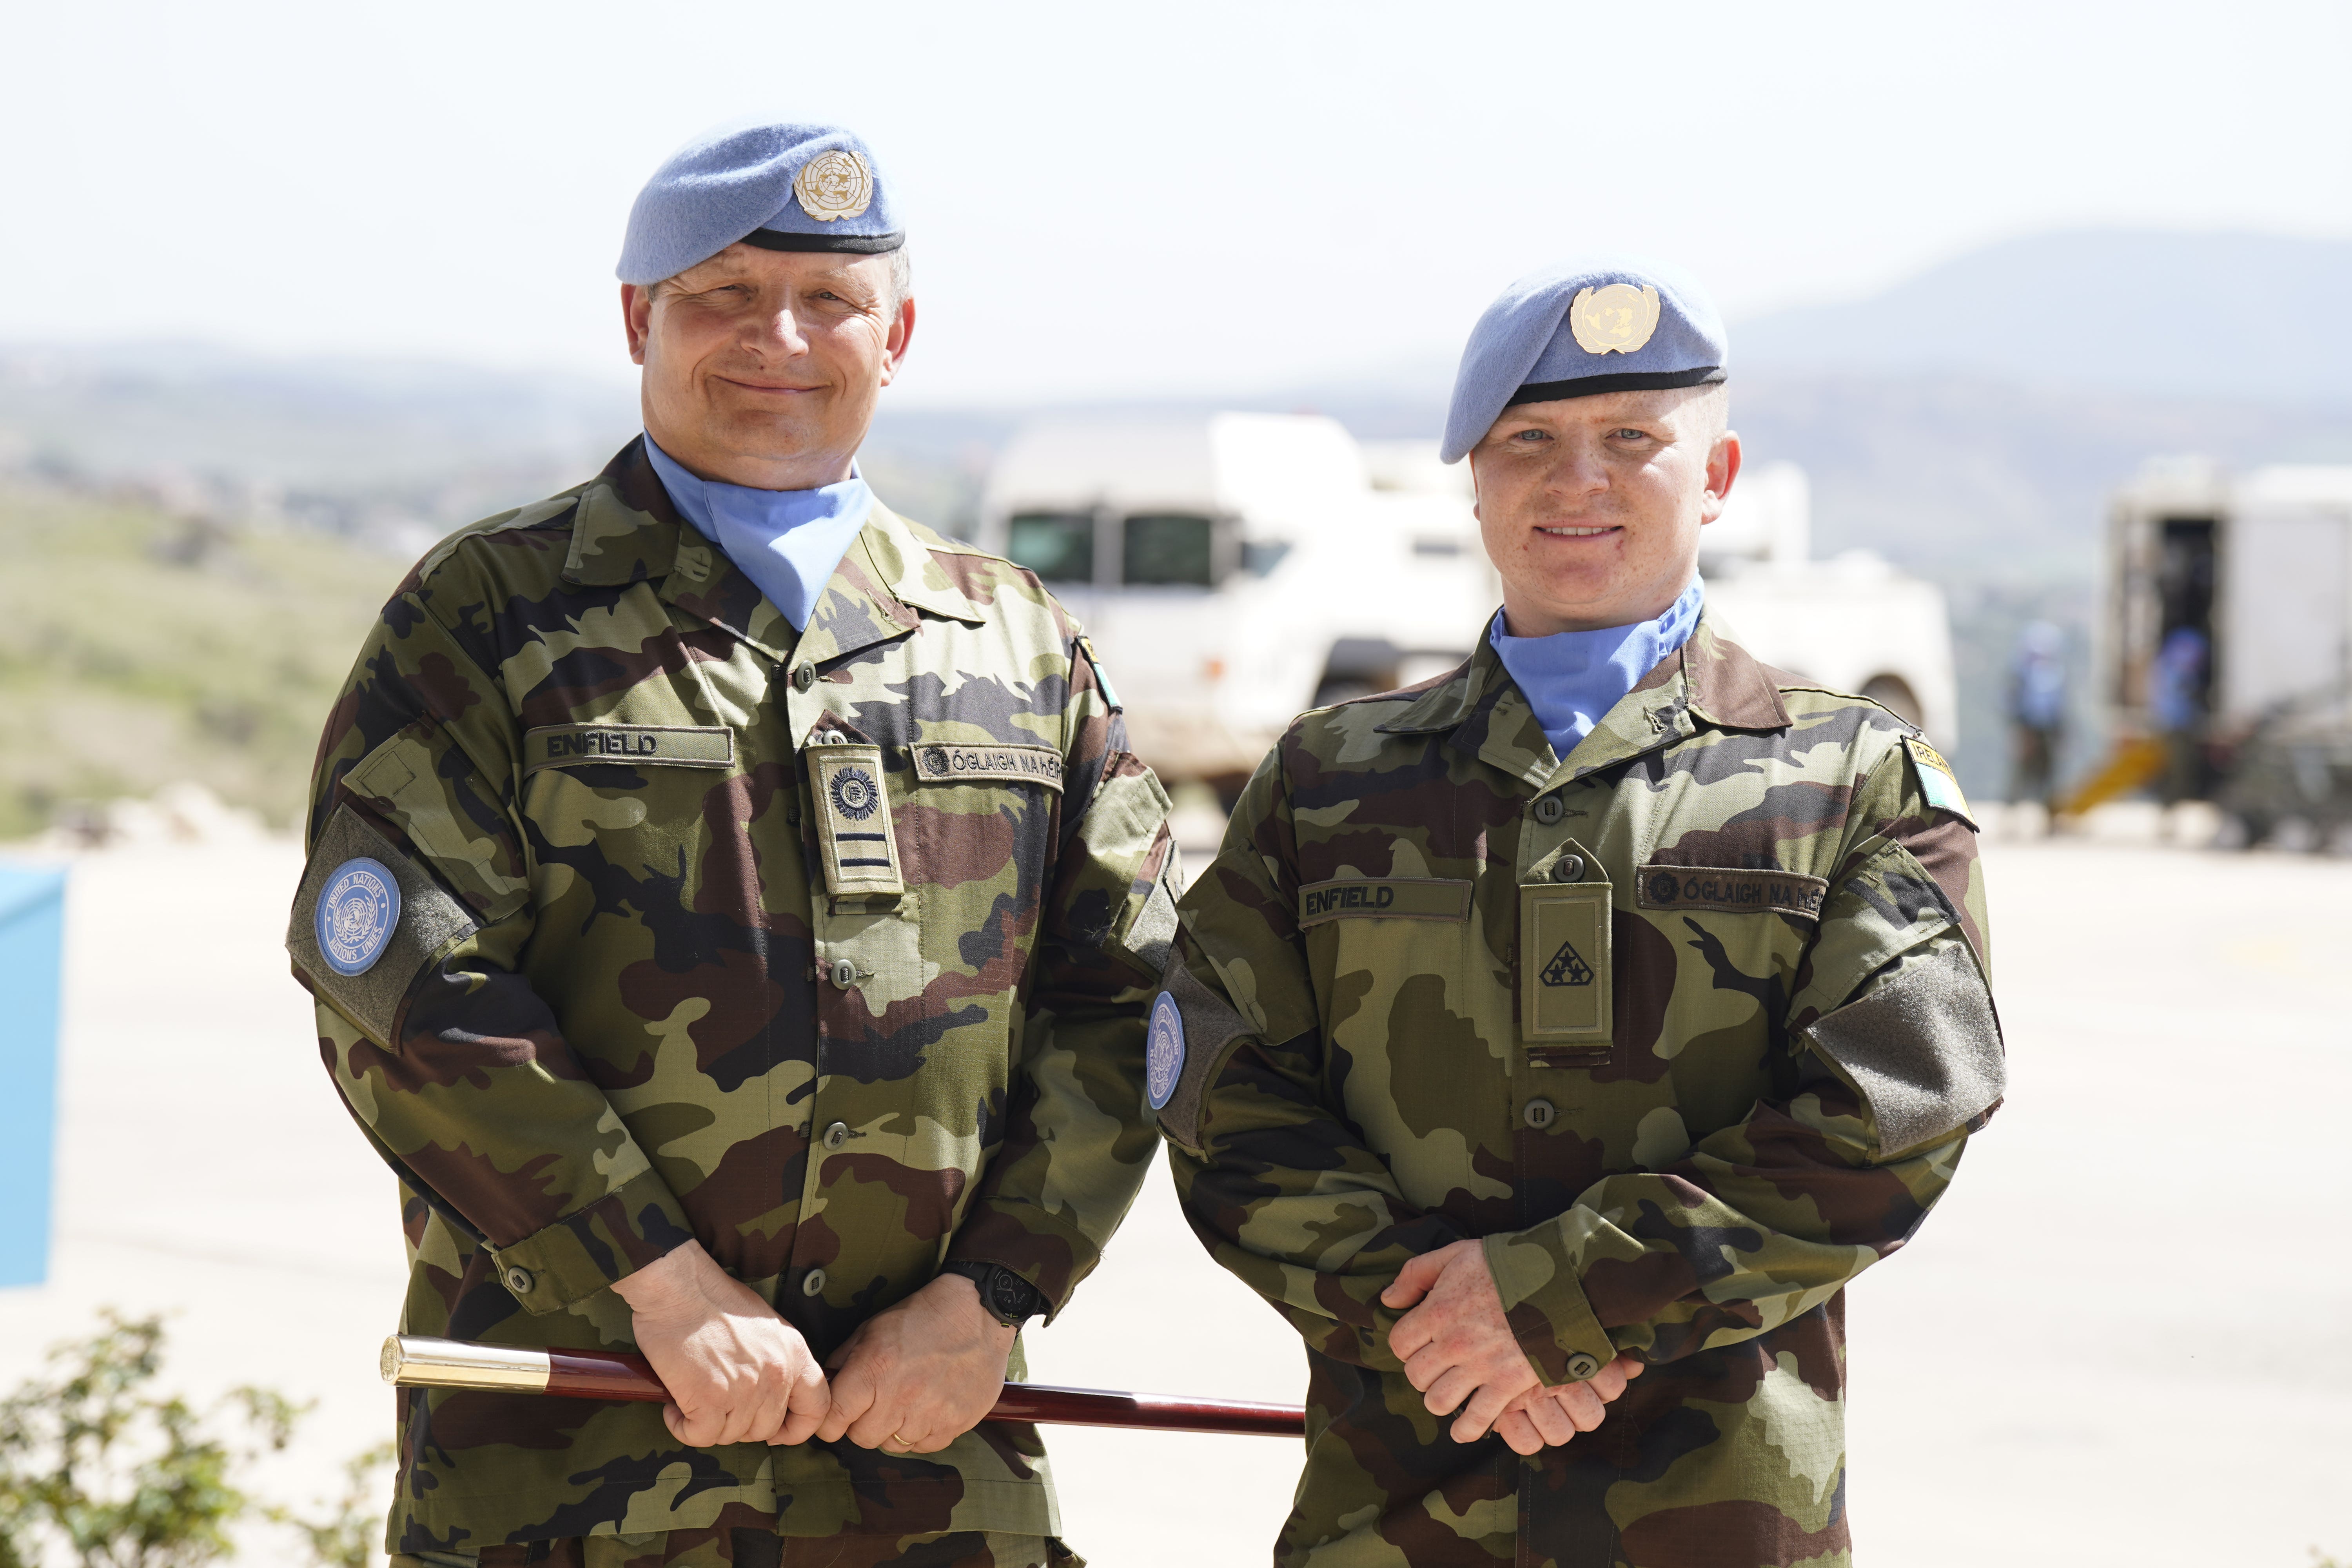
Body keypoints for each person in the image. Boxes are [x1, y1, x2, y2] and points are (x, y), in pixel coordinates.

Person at [287, 121, 1178, 1568]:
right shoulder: (488, 613)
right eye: (724, 295)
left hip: (929, 1469)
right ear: (637, 319)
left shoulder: (1016, 639)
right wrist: (658, 1281)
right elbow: (403, 980)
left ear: (896, 336)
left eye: (829, 299)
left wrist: (991, 1297)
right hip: (576, 1458)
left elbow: (1132, 995)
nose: (780, 338)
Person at [1149, 261, 2003, 1565]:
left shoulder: (1855, 781)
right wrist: (1440, 1325)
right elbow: (1221, 1095)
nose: (1577, 481)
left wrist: (1558, 1302)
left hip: (1722, 1517)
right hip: (1398, 1513)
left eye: (1632, 440)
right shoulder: (1327, 782)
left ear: (1717, 477)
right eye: (1529, 442)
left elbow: (1894, 1111)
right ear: (1474, 481)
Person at [2008, 619, 2067, 811]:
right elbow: (2014, 704)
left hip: (2049, 730)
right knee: (2022, 773)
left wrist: (2062, 734)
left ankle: (2051, 813)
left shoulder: (2055, 672)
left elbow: (2059, 707)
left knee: (2049, 774)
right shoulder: (2022, 673)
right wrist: (2022, 732)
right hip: (2029, 729)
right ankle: (2012, 812)